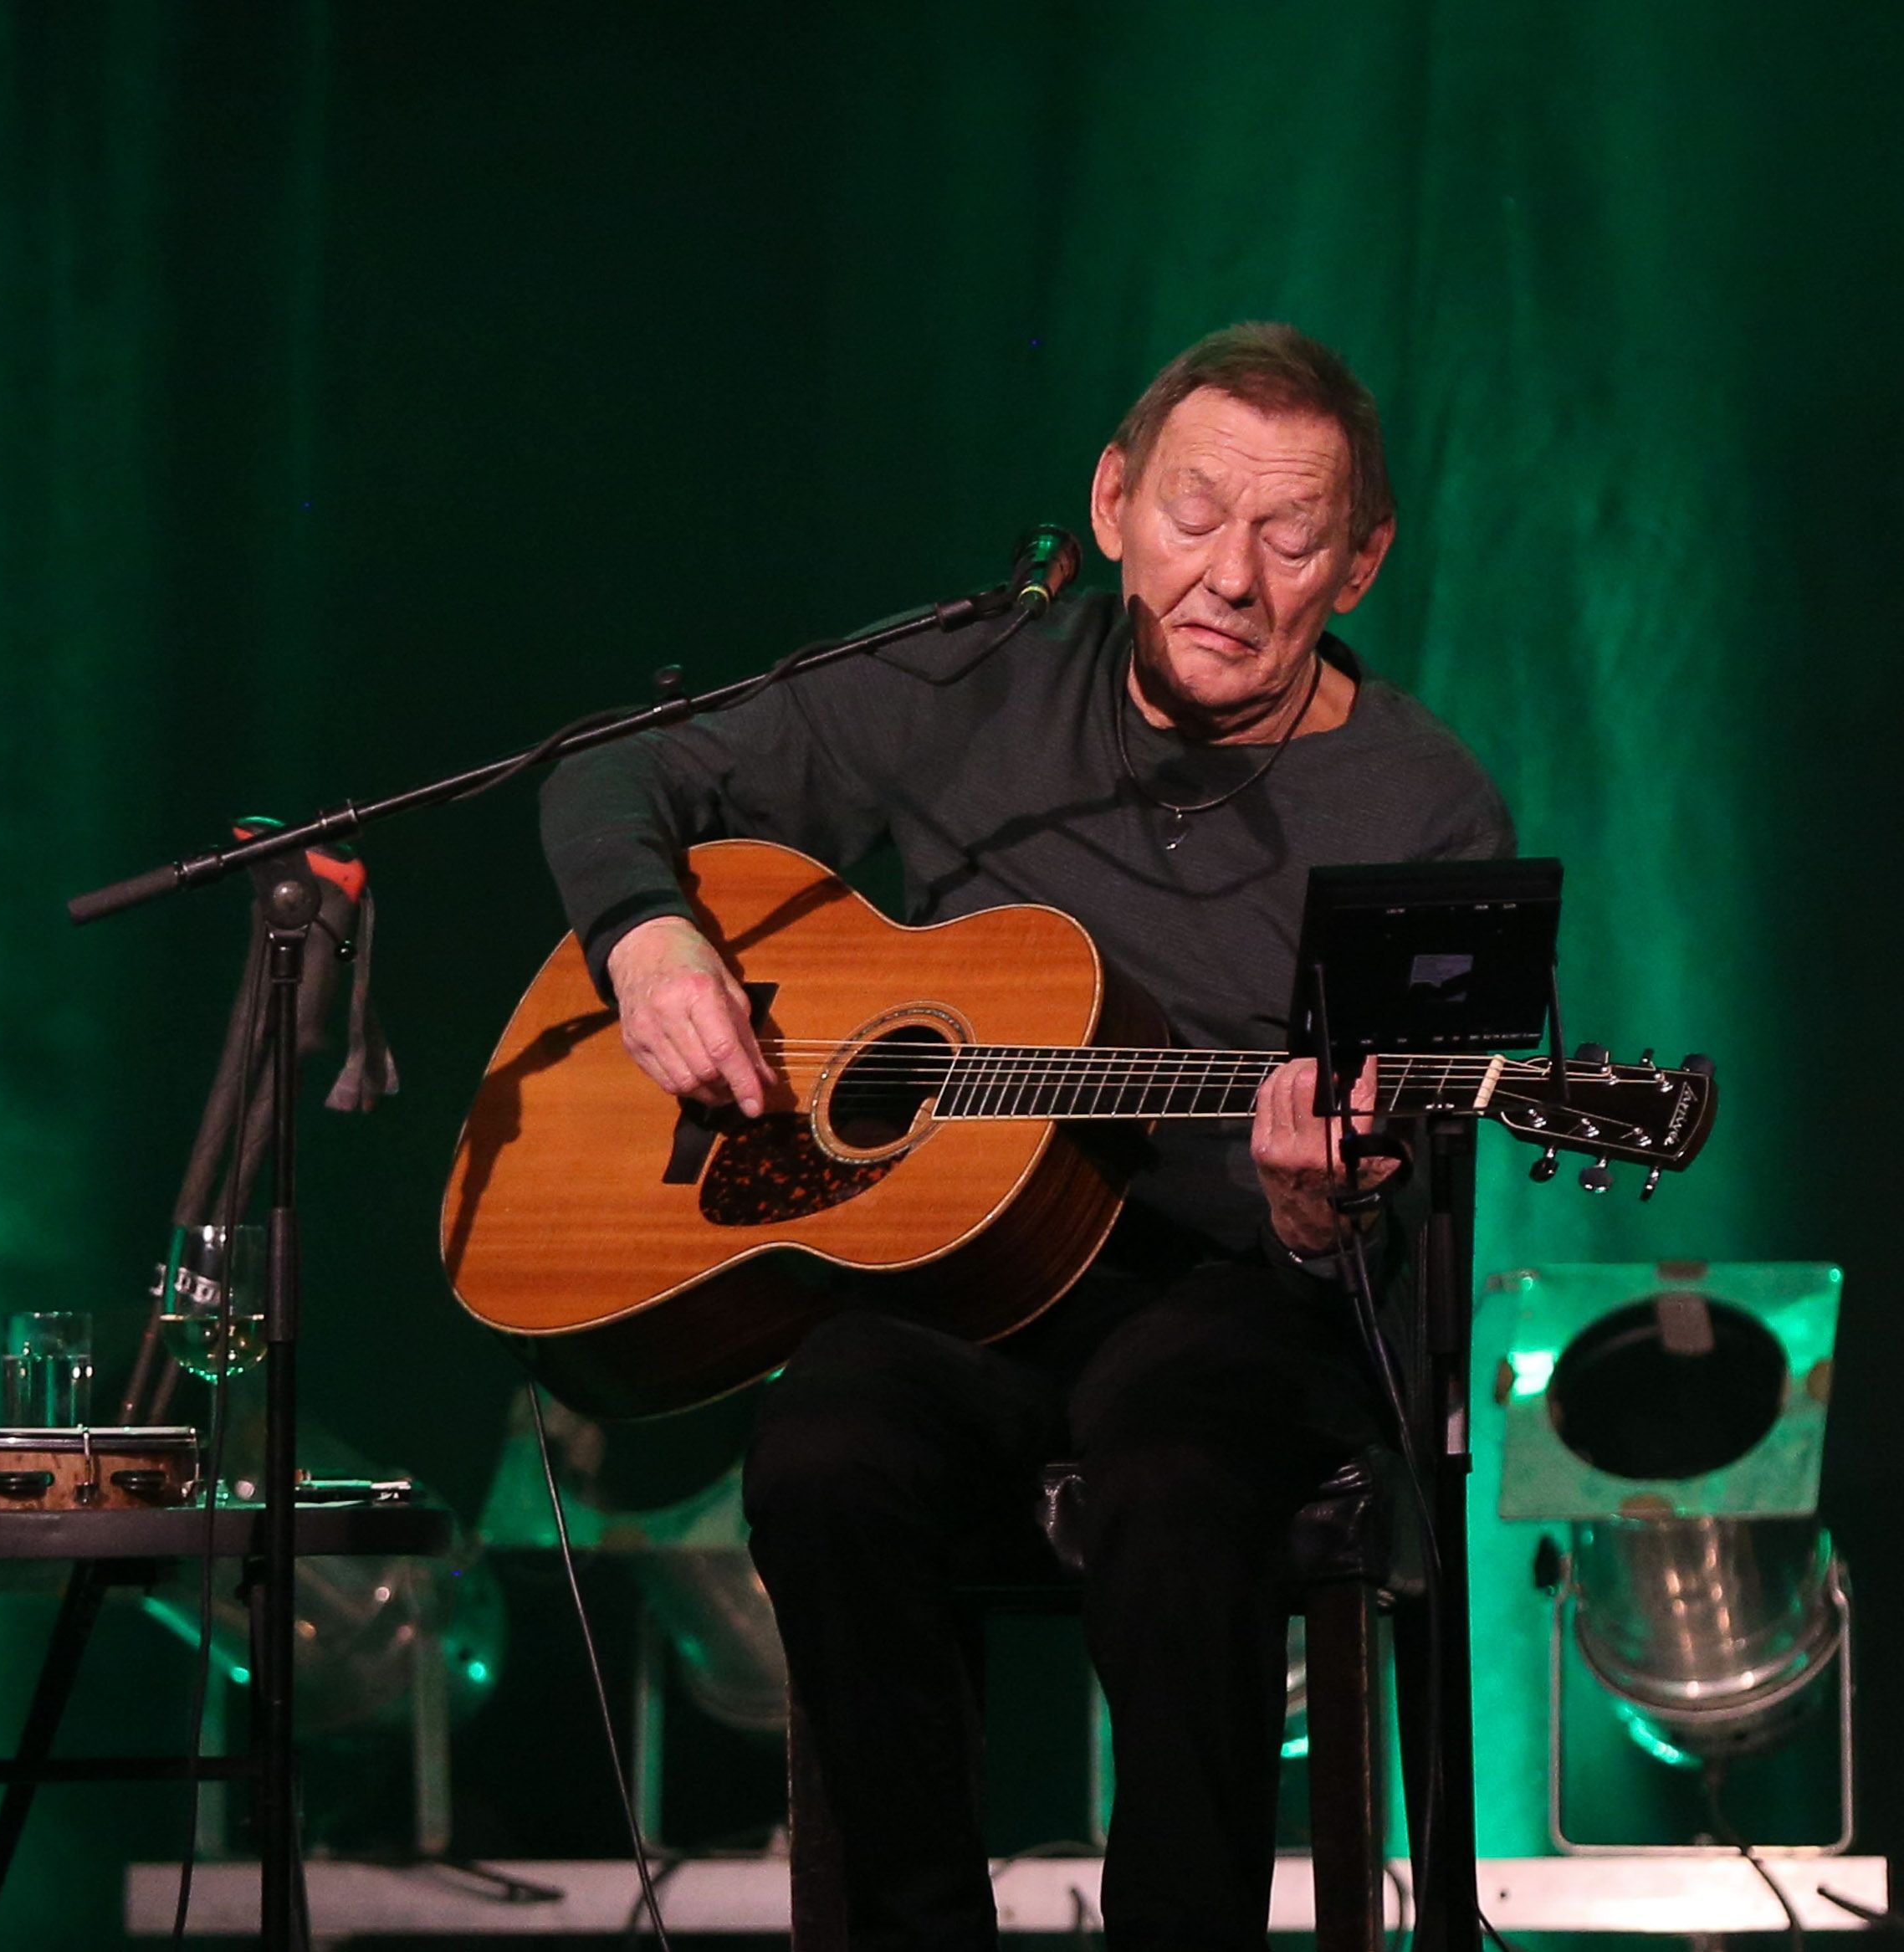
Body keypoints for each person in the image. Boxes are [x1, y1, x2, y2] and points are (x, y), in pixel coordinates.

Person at [540, 321, 1512, 1951]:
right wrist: (647, 936)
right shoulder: (973, 678)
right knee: (822, 1461)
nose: (1233, 575)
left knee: (1181, 1481)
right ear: (1114, 499)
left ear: (1359, 561)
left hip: (1238, 1295)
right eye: (1197, 514)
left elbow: (1404, 1183)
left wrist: (1313, 1205)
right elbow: (606, 777)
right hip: (951, 1273)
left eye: (1290, 536)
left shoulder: (1428, 809)